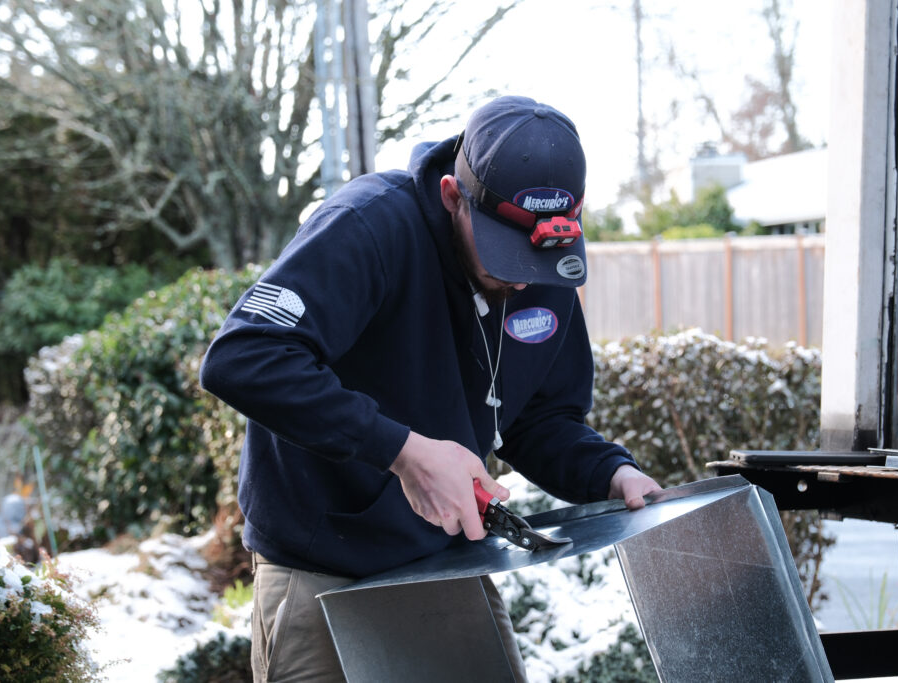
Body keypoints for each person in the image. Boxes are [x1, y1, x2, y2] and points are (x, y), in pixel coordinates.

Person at [199, 95, 661, 682]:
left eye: (537, 259)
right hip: (322, 572)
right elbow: (244, 356)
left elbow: (539, 421)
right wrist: (405, 453)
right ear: (452, 197)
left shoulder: (546, 266)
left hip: (450, 560)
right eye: (503, 254)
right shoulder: (369, 224)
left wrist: (610, 473)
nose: (522, 278)